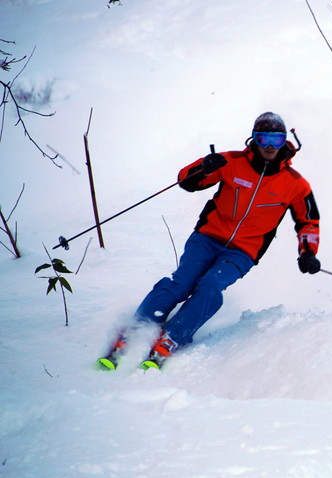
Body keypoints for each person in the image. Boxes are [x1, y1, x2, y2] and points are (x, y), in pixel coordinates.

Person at [123, 112, 320, 369]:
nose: (270, 146)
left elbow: (309, 221)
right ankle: (139, 326)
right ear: (254, 139)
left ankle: (174, 336)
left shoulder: (296, 184)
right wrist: (205, 165)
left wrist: (308, 252)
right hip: (207, 237)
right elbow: (186, 181)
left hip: (243, 252)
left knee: (210, 285)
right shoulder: (231, 161)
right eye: (264, 138)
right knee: (182, 283)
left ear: (285, 141)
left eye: (276, 139)